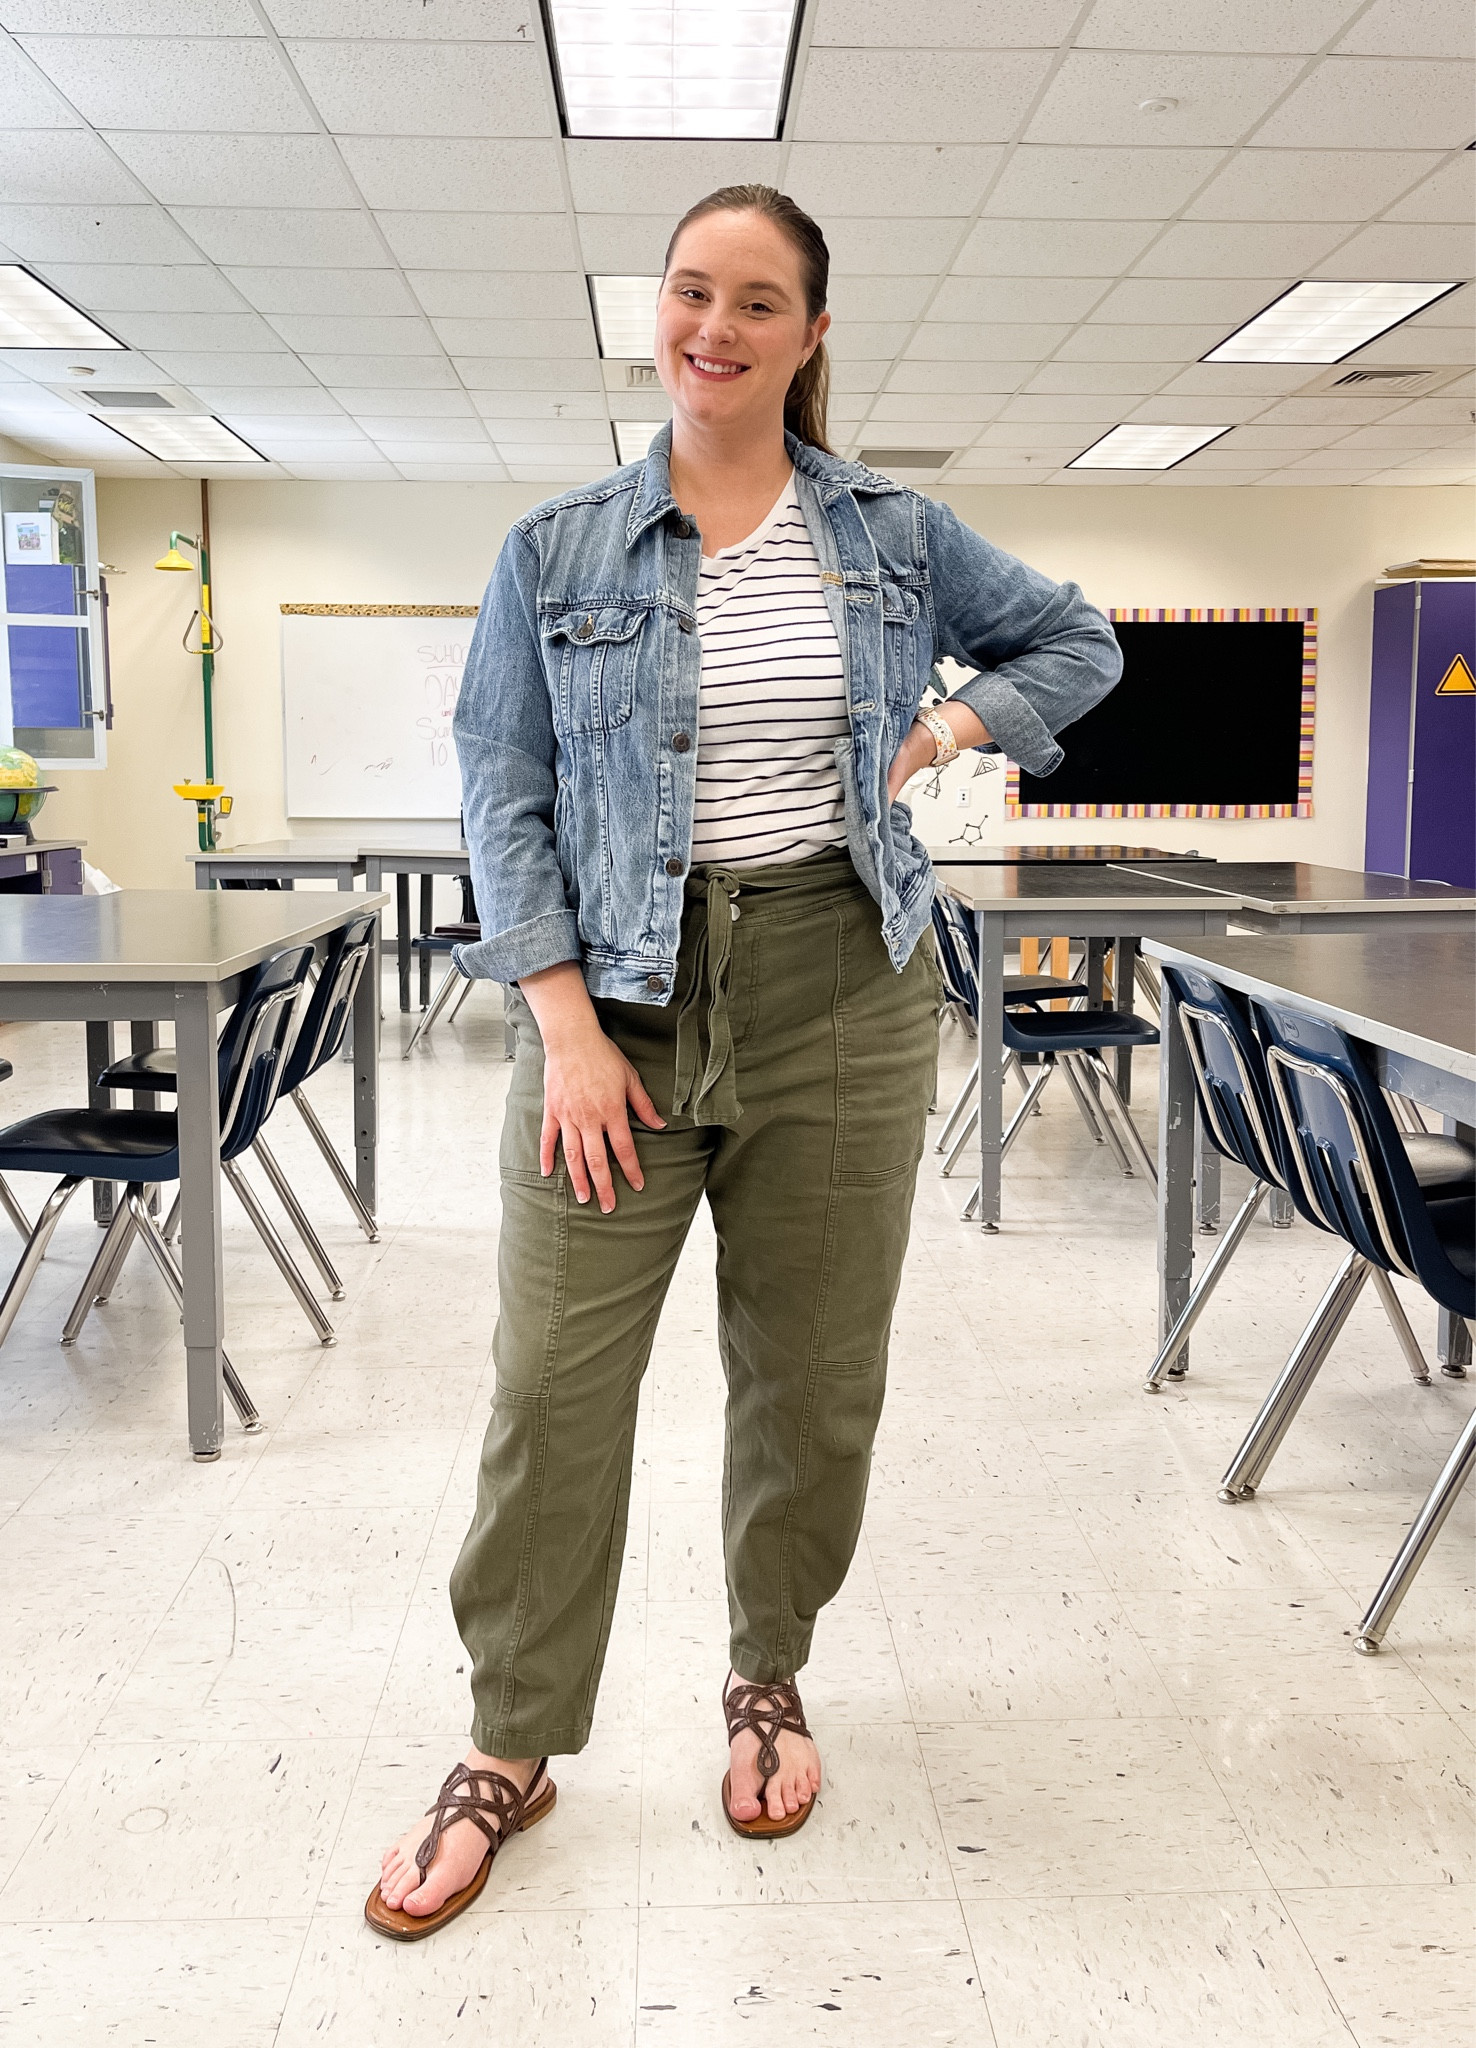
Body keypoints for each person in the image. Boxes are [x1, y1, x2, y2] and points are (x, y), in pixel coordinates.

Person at [368, 184, 1121, 1940]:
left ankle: (768, 1675)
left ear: (810, 333)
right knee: (553, 1391)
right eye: (692, 293)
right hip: (612, 1009)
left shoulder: (894, 534)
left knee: (811, 1379)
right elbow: (503, 790)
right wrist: (562, 1025)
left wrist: (939, 730)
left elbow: (1076, 643)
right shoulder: (559, 549)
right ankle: (508, 1743)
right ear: (661, 312)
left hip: (842, 990)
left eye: (758, 301)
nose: (717, 327)